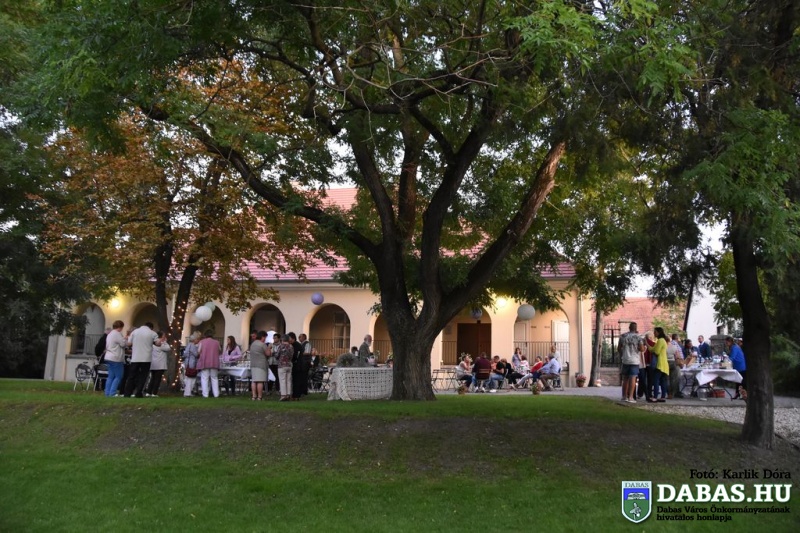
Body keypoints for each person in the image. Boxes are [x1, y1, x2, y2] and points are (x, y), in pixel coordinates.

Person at [124, 322, 160, 398]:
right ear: (151, 328)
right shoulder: (152, 333)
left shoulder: (135, 332)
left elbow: (129, 343)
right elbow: (158, 344)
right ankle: (138, 392)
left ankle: (127, 393)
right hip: (146, 358)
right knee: (143, 376)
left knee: (131, 376)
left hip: (135, 357)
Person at [618, 322, 642, 403]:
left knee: (625, 378)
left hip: (625, 360)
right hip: (634, 360)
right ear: (636, 328)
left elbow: (619, 348)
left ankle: (624, 396)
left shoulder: (623, 336)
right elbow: (641, 349)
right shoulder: (638, 337)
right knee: (633, 378)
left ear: (629, 327)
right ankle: (631, 397)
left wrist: (623, 354)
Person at [102, 321, 127, 397]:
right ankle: (112, 392)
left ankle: (107, 393)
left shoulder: (110, 334)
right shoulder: (117, 334)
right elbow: (123, 344)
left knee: (110, 376)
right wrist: (125, 339)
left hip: (108, 357)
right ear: (121, 327)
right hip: (116, 358)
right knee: (119, 376)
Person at [145, 331, 171, 397]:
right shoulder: (161, 343)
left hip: (153, 364)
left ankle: (148, 392)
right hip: (160, 364)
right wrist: (165, 342)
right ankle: (154, 393)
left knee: (152, 378)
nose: (165, 337)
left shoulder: (152, 343)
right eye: (164, 336)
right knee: (157, 379)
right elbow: (168, 348)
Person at [197, 330, 222, 398]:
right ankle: (216, 394)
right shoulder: (217, 342)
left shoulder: (202, 342)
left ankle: (205, 394)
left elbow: (198, 351)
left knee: (205, 378)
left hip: (205, 362)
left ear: (205, 335)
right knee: (214, 378)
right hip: (214, 362)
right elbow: (220, 350)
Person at [649, 327, 669, 403]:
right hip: (664, 364)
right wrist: (650, 346)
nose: (654, 333)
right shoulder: (663, 340)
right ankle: (663, 396)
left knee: (656, 380)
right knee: (663, 381)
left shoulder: (660, 340)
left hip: (659, 364)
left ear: (659, 332)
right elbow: (653, 349)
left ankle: (655, 397)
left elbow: (656, 351)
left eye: (655, 332)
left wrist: (650, 347)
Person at [249, 331, 269, 401]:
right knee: (260, 381)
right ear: (262, 337)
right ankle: (259, 397)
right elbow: (268, 354)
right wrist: (269, 348)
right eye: (265, 337)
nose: (265, 339)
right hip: (261, 365)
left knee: (254, 381)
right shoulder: (262, 344)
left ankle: (254, 396)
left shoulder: (253, 344)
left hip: (253, 364)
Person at [275, 334, 294, 401]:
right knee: (288, 380)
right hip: (289, 364)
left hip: (282, 365)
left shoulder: (281, 346)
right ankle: (288, 394)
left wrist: (274, 354)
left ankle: (283, 395)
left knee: (282, 380)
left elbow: (277, 355)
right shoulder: (291, 346)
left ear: (282, 339)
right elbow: (291, 356)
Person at [666, 333, 685, 399]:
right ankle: (673, 393)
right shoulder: (674, 346)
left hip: (666, 363)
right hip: (674, 363)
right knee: (674, 379)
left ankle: (669, 393)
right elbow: (677, 356)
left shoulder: (664, 347)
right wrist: (681, 363)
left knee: (667, 379)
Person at [183, 332, 201, 397]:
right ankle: (188, 392)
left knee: (189, 378)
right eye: (197, 339)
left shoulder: (188, 345)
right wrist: (199, 352)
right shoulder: (193, 346)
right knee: (191, 378)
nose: (198, 341)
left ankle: (187, 392)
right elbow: (196, 354)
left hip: (188, 363)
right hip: (192, 363)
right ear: (194, 339)